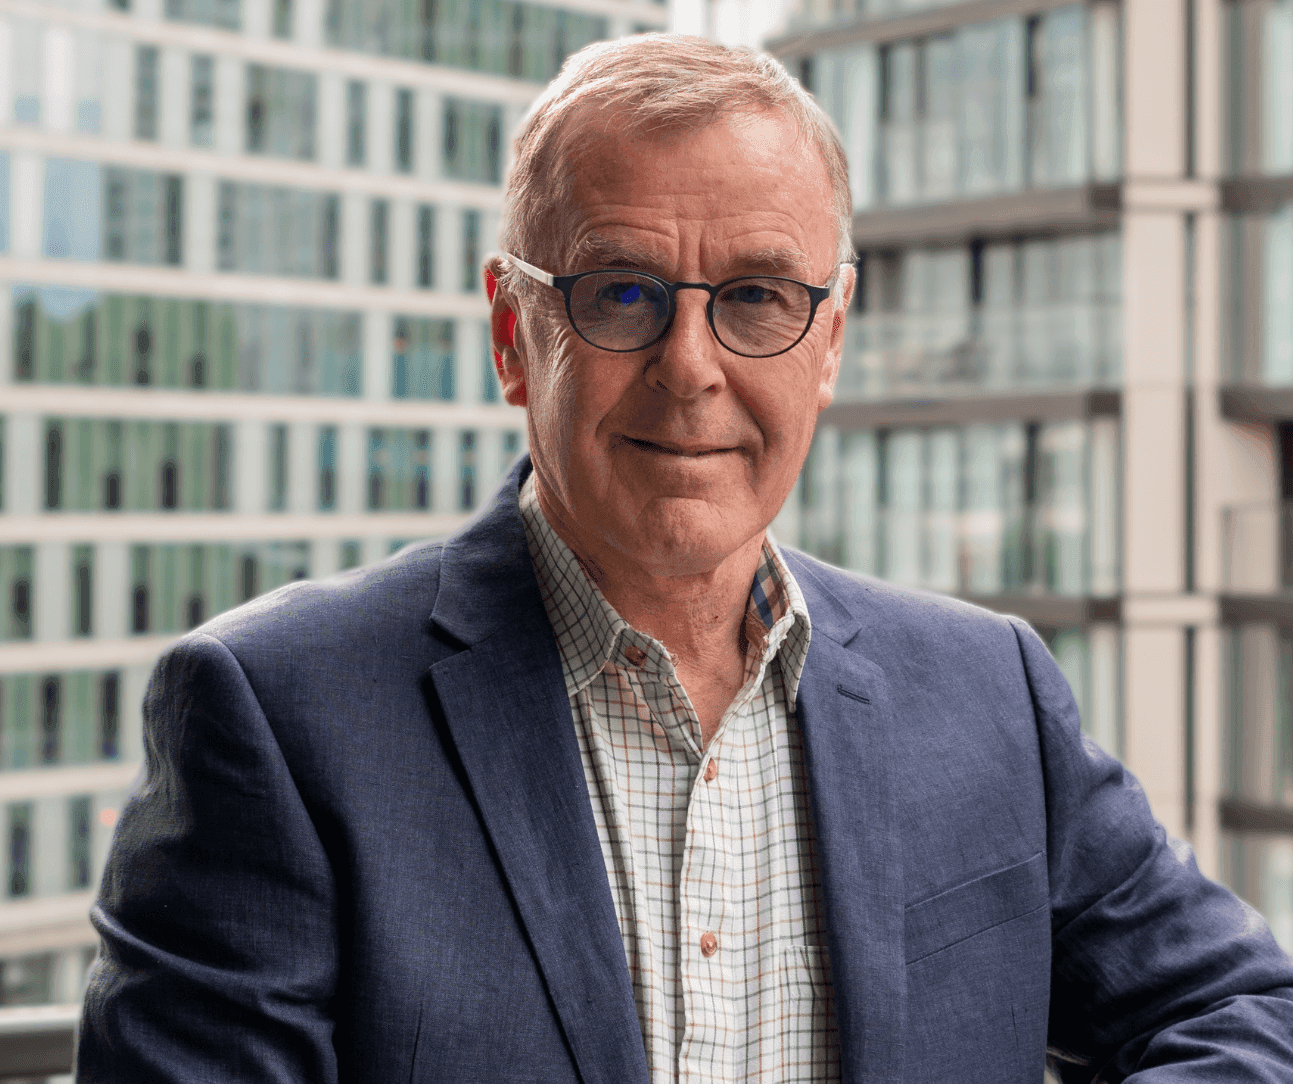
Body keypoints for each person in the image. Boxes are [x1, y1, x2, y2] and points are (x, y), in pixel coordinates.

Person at [77, 34, 1293, 1084]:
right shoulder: (280, 715)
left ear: (829, 343)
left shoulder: (991, 693)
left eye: (759, 296)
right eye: (622, 295)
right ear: (514, 333)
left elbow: (1244, 1009)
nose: (692, 367)